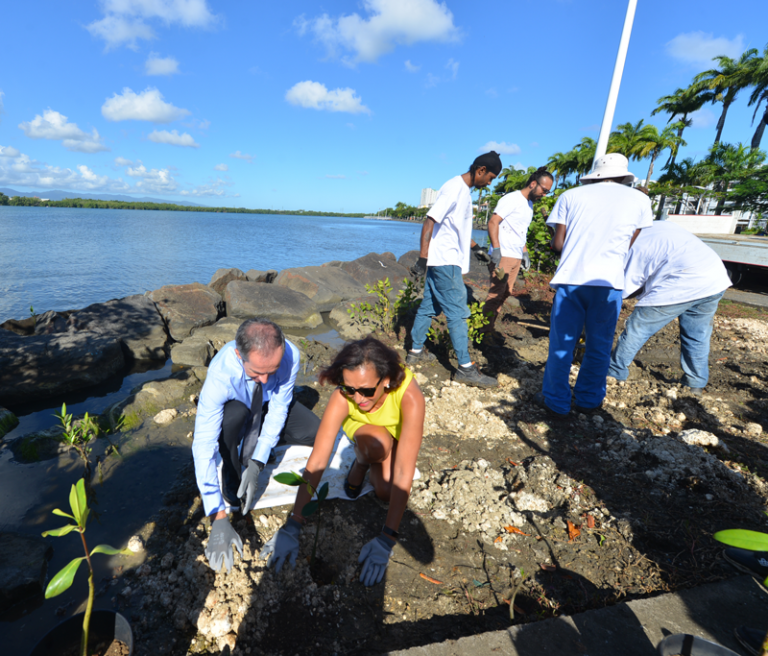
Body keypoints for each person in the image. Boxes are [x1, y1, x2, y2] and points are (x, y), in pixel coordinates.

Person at [261, 337, 425, 586]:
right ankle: (362, 460)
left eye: (367, 390)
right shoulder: (344, 397)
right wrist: (294, 522)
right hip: (368, 432)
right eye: (350, 389)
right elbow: (318, 458)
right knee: (375, 445)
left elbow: (405, 471)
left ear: (387, 380)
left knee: (386, 493)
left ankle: (372, 458)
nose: (358, 399)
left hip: (398, 431)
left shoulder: (409, 396)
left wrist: (387, 538)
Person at [192, 317, 320, 572]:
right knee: (234, 417)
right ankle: (232, 468)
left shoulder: (289, 355)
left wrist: (258, 459)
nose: (264, 379)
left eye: (271, 372)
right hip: (236, 409)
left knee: (315, 432)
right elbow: (203, 444)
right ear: (240, 355)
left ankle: (256, 441)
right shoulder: (221, 375)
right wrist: (217, 514)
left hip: (267, 406)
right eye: (256, 372)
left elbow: (280, 408)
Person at [537, 153, 654, 416]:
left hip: (571, 279)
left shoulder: (571, 195)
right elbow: (629, 243)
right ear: (624, 175)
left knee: (561, 345)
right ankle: (588, 401)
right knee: (599, 345)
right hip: (608, 282)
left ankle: (556, 402)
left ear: (594, 174)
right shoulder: (639, 200)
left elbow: (558, 244)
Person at [407, 151, 502, 388]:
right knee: (458, 313)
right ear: (480, 170)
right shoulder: (454, 188)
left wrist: (475, 247)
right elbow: (430, 220)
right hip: (445, 261)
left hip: (442, 259)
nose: (489, 183)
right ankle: (465, 369)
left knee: (429, 305)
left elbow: (454, 229)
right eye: (490, 177)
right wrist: (422, 258)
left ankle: (415, 352)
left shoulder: (463, 191)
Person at [607, 221, 731, 395]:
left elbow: (624, 288)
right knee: (697, 336)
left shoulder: (631, 245)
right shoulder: (656, 225)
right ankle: (695, 383)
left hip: (683, 280)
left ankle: (614, 373)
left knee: (638, 327)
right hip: (714, 279)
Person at [483, 167, 554, 334]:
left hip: (515, 256)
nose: (544, 195)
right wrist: (497, 250)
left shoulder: (529, 205)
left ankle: (489, 327)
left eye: (547, 192)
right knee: (495, 294)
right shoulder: (512, 199)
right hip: (504, 255)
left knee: (505, 293)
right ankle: (483, 332)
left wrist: (525, 251)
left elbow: (520, 231)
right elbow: (493, 222)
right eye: (543, 190)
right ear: (533, 184)